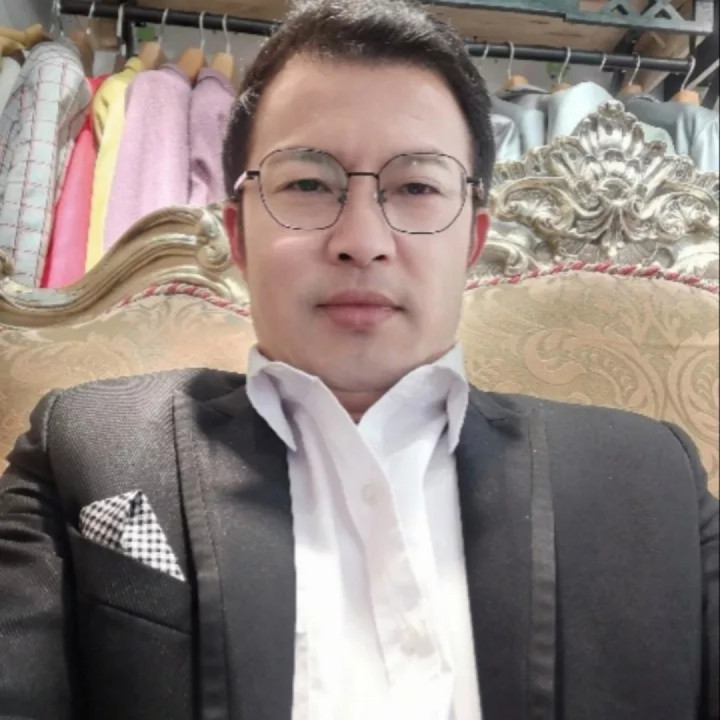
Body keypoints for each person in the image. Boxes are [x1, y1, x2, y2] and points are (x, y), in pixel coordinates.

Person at [0, 1, 717, 718]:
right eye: (308, 185)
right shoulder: (87, 447)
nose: (362, 241)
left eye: (417, 187)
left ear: (472, 240)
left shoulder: (652, 480)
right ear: (238, 237)